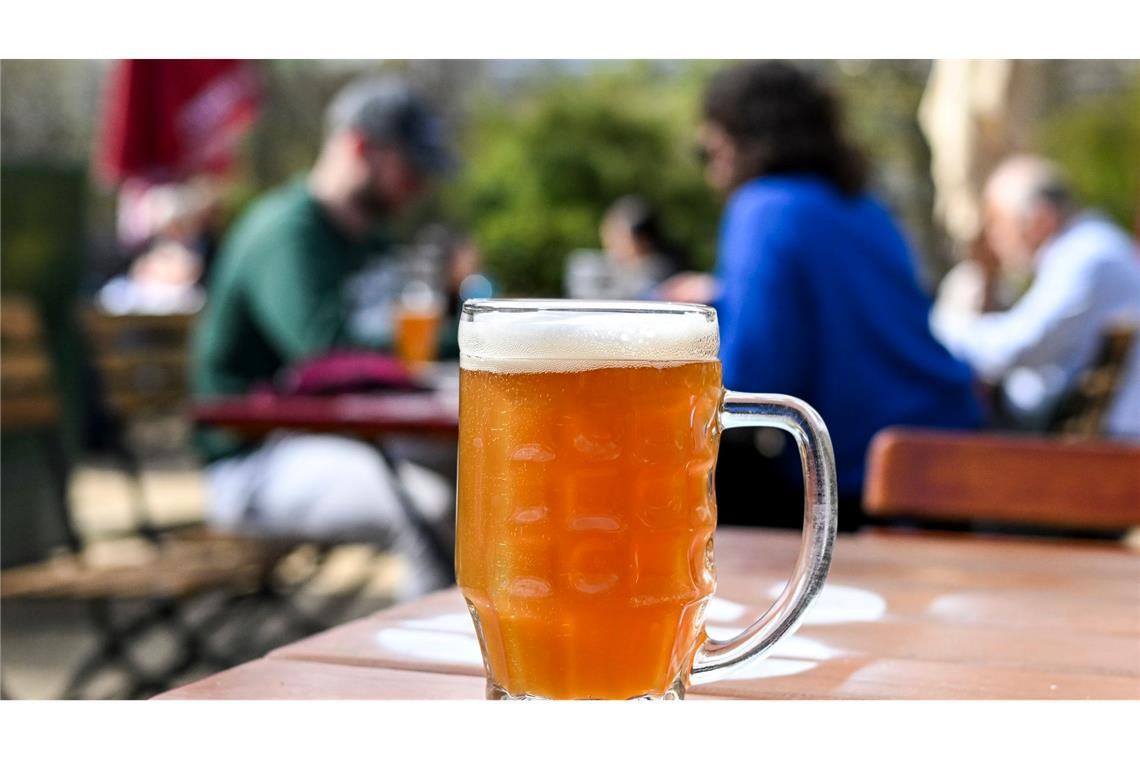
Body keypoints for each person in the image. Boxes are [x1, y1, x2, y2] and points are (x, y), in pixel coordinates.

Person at [660, 61, 983, 530]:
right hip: (945, 439)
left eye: (705, 151)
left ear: (734, 140)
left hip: (860, 474)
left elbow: (750, 380)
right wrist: (726, 296)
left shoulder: (763, 207)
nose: (710, 172)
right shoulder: (863, 206)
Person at [192, 77, 458, 599]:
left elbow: (395, 351)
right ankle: (428, 678)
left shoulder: (370, 237)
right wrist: (457, 342)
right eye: (412, 168)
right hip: (252, 462)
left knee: (487, 471)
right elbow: (326, 352)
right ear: (360, 147)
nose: (421, 186)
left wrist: (476, 341)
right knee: (429, 507)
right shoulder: (286, 232)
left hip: (340, 439)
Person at [932, 155, 1140, 437]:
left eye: (998, 222)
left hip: (1111, 444)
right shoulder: (1086, 249)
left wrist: (938, 328)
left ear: (1040, 218)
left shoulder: (1088, 256)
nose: (993, 239)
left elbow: (1016, 347)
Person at [598, 195, 687, 299]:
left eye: (618, 235)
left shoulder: (658, 273)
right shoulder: (614, 266)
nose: (609, 240)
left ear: (644, 240)